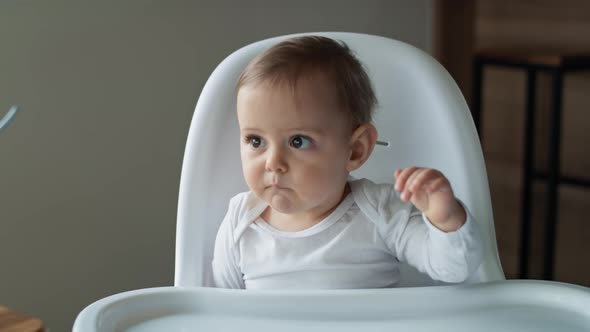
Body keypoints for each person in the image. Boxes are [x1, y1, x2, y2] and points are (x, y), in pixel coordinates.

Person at [212, 35, 483, 289]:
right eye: (256, 141)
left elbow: (455, 269)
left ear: (355, 150)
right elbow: (218, 310)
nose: (273, 163)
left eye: (298, 141)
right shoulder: (240, 222)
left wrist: (445, 218)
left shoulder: (381, 212)